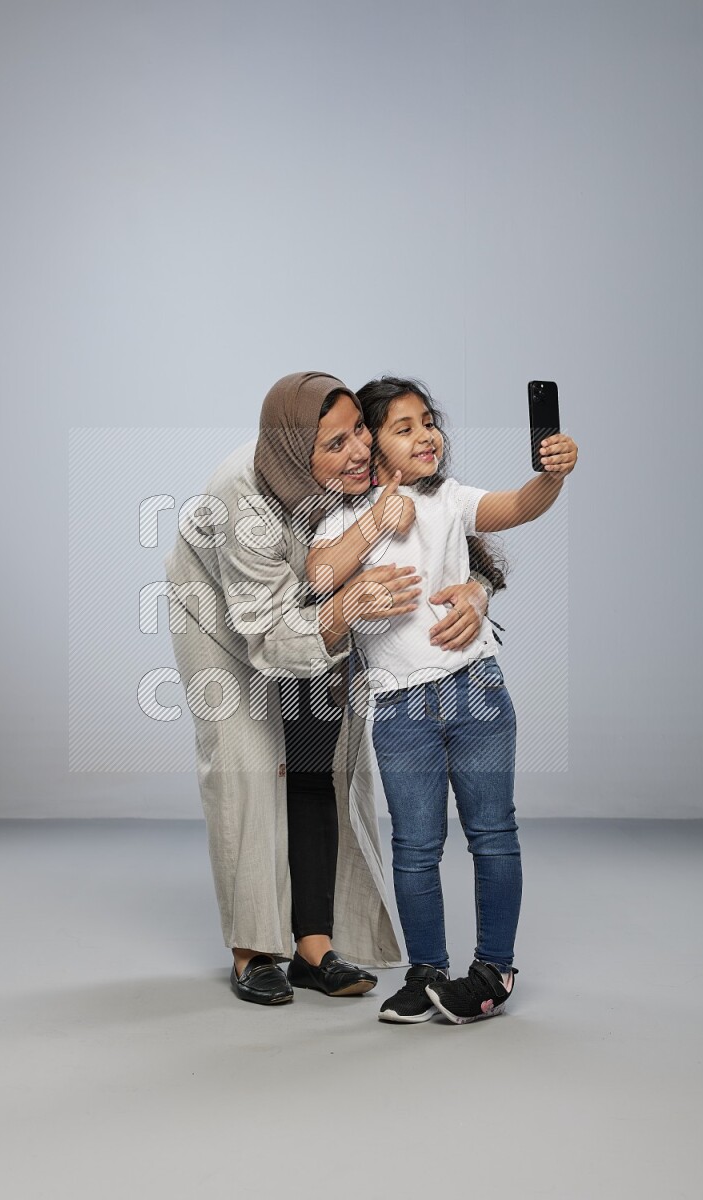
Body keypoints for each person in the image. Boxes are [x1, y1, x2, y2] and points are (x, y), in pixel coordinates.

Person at [165, 371, 496, 1005]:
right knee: (250, 762)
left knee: (322, 761)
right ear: (298, 453)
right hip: (227, 616)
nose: (359, 452)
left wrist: (477, 592)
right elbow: (263, 629)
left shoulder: (367, 468)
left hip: (323, 605)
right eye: (335, 444)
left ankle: (313, 945)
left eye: (360, 433)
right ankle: (253, 949)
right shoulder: (242, 496)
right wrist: (347, 605)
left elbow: (452, 538)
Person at [306, 376, 578, 1024]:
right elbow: (318, 577)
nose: (426, 434)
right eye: (405, 427)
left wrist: (553, 476)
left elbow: (521, 505)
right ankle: (426, 971)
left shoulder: (450, 500)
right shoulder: (343, 518)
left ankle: (494, 969)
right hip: (400, 708)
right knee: (415, 847)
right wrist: (376, 520)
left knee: (492, 833)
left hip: (475, 691)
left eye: (428, 421)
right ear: (372, 445)